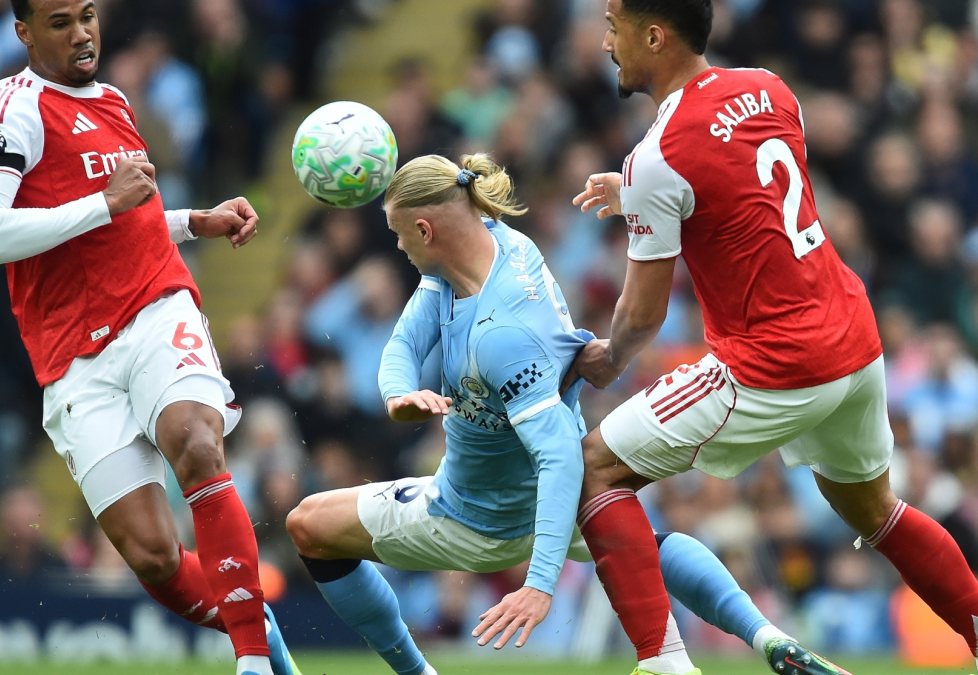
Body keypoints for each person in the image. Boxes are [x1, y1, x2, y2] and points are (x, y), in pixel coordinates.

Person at [517, 2, 978, 674]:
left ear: (654, 35)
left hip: (773, 362)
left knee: (595, 467)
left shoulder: (659, 154)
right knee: (873, 507)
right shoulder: (769, 87)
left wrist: (604, 360)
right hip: (851, 335)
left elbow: (643, 317)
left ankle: (663, 664)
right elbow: (743, 183)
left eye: (615, 28)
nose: (607, 44)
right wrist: (638, 194)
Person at [286, 154, 844, 675]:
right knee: (650, 544)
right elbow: (405, 343)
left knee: (307, 525)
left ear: (426, 231)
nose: (399, 247)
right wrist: (398, 393)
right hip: (566, 495)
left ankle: (415, 672)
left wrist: (539, 583)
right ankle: (767, 637)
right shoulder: (502, 246)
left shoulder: (500, 334)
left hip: (479, 515)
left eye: (399, 233)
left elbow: (554, 457)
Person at [0, 2, 299, 675]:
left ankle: (250, 662)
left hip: (154, 306)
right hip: (71, 354)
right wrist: (107, 203)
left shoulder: (116, 100)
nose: (82, 32)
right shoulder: (14, 106)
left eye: (89, 15)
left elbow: (133, 214)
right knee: (153, 556)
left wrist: (193, 221)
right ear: (25, 33)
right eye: (61, 20)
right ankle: (253, 621)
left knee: (195, 438)